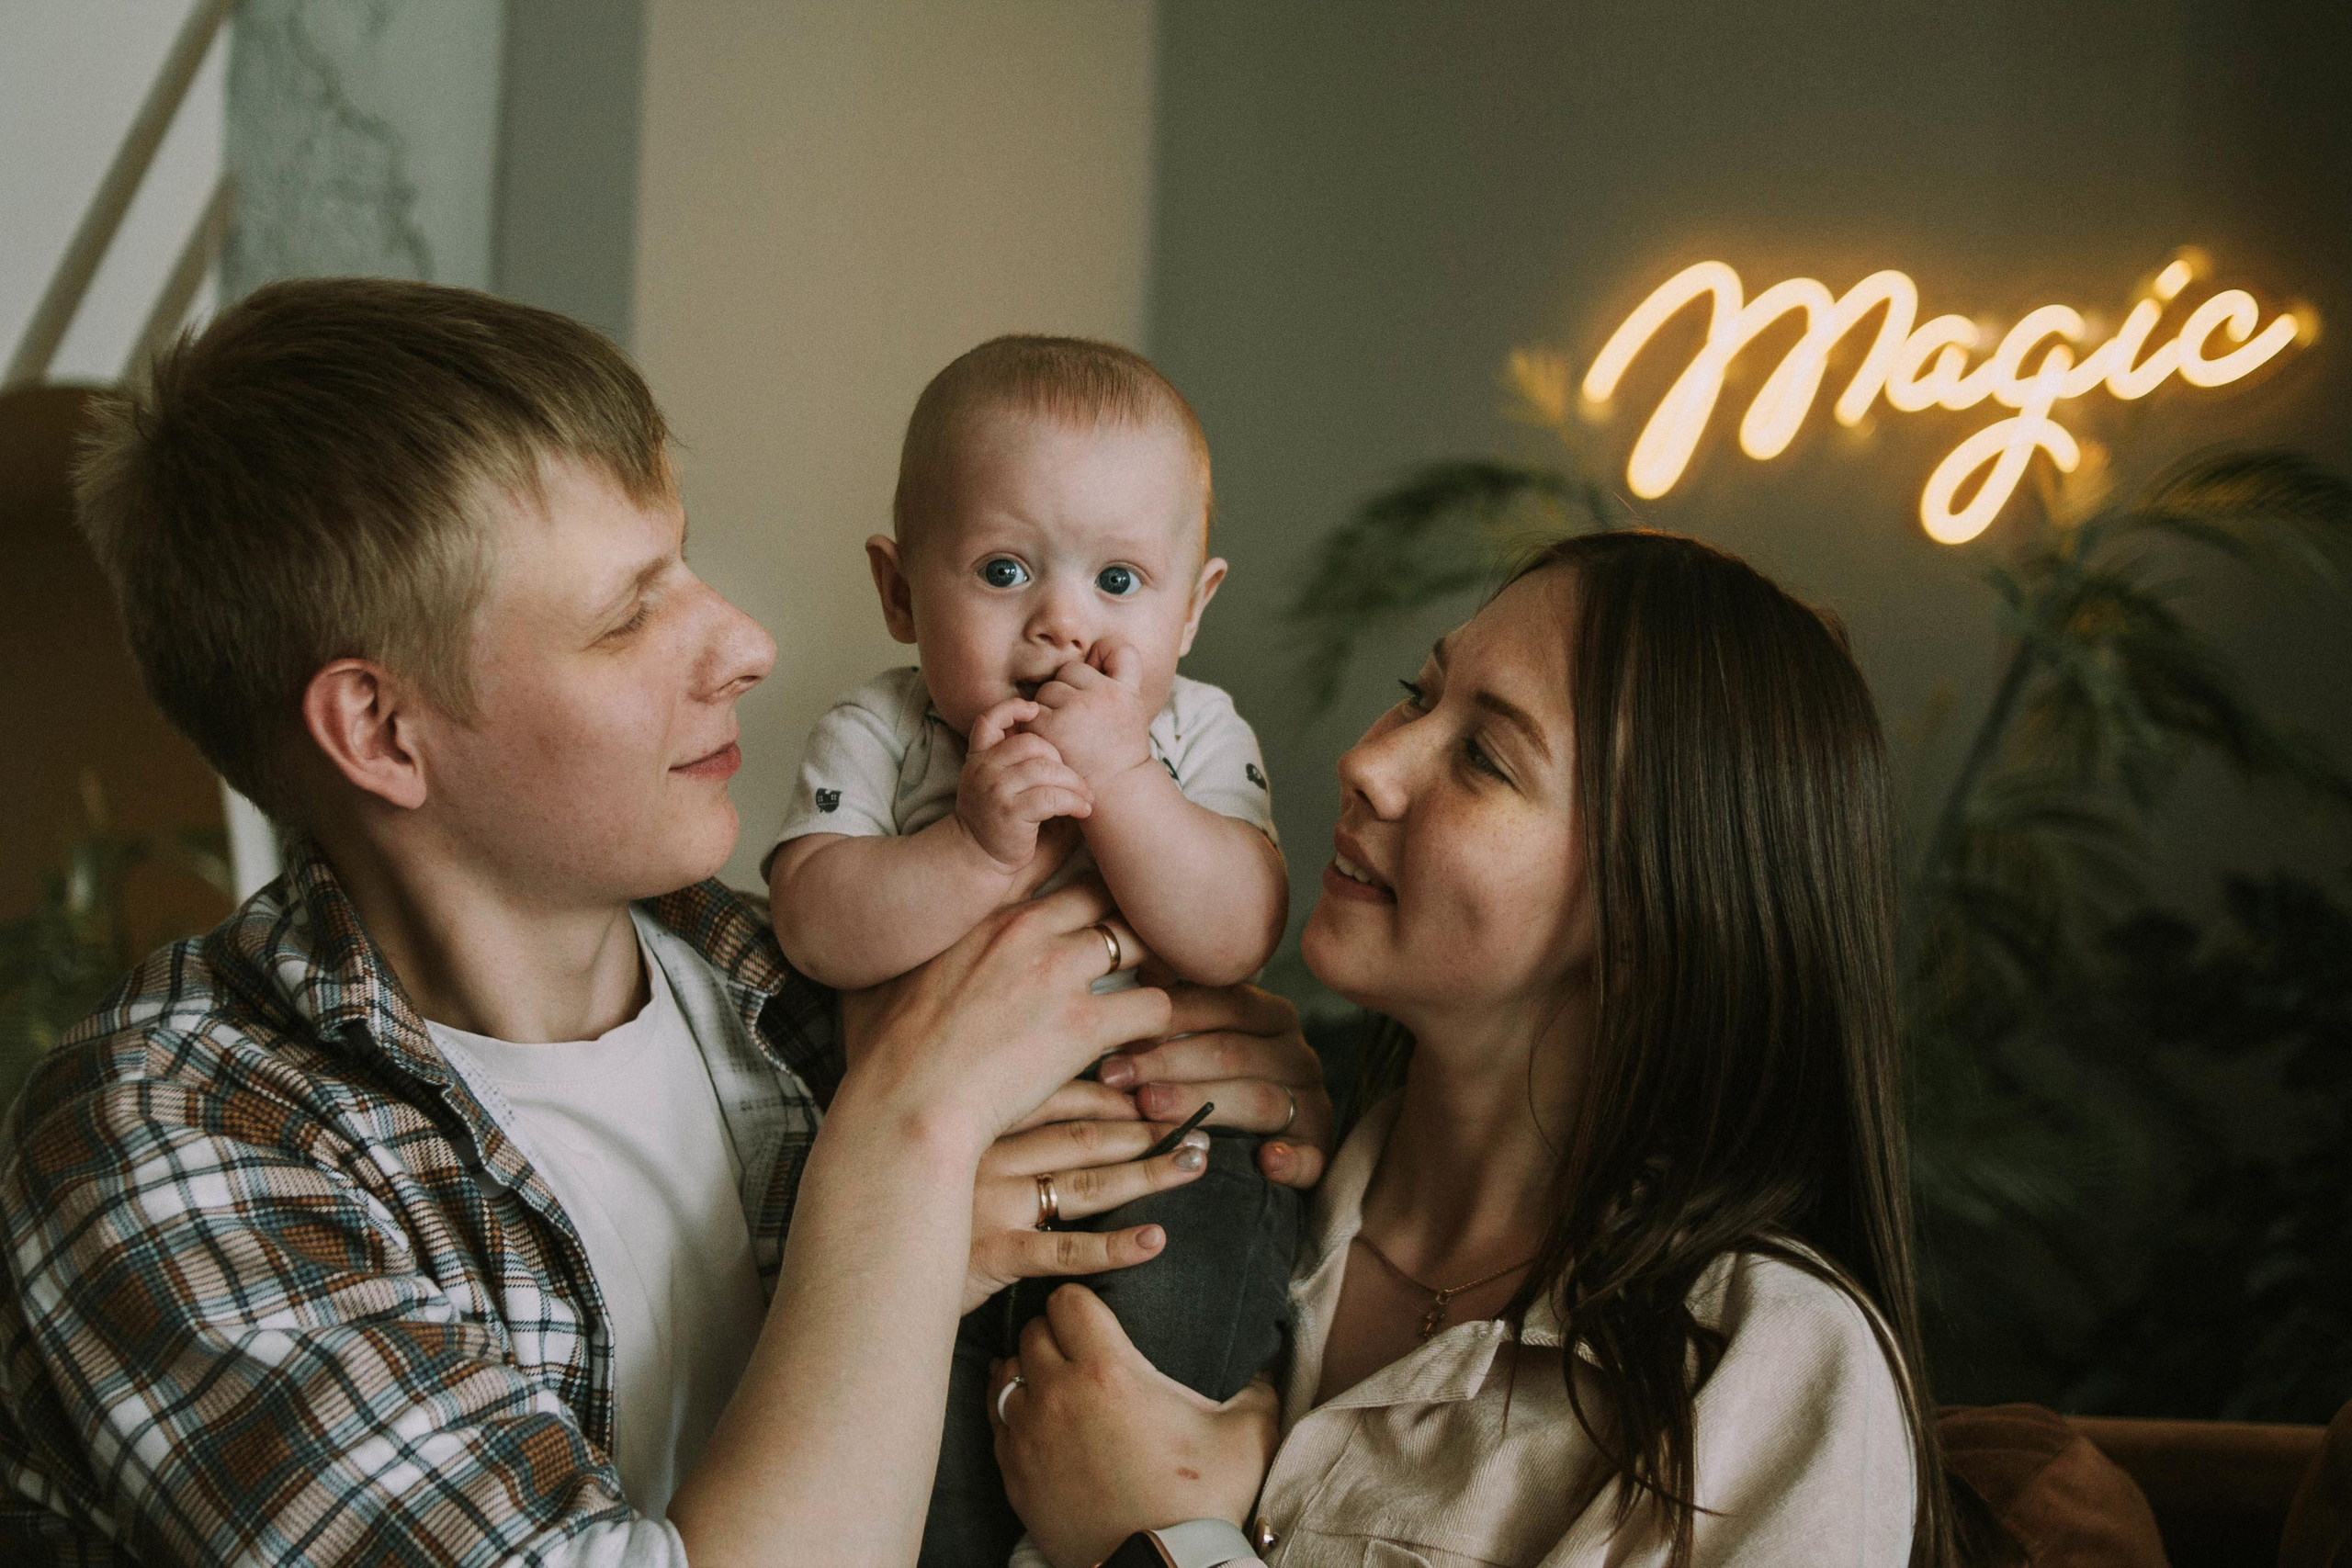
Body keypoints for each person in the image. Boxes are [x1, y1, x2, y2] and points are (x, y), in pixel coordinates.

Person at [0, 277, 1330, 1567]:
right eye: (630, 609)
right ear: (383, 730)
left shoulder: (796, 985)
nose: (744, 641)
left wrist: (1251, 1072)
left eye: (683, 562)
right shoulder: (173, 1147)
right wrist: (899, 1169)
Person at [992, 531, 1959, 1568]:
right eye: (1418, 694)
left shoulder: (1764, 1369)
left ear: (1653, 920)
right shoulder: (1226, 1163)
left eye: (1486, 759)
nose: (1367, 763)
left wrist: (1153, 1543)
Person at [765, 336, 1298, 1567]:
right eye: (1005, 570)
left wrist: (1119, 776)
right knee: (923, 1474)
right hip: (922, 1193)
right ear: (901, 593)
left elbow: (1237, 926)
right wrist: (973, 851)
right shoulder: (882, 732)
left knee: (1149, 1379)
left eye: (1122, 580)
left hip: (1163, 1152)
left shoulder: (1196, 729)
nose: (1065, 621)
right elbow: (816, 919)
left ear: (1195, 605)